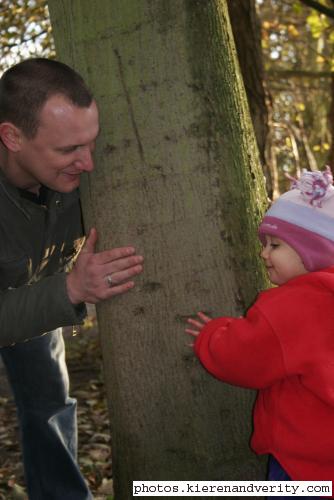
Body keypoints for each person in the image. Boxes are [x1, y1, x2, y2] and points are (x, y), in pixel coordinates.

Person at [0, 58, 144, 499]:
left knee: (49, 403)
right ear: (12, 136)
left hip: (38, 291)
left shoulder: (73, 175)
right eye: (68, 151)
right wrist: (72, 289)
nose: (89, 163)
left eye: (91, 143)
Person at [186, 167, 334, 494]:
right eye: (265, 244)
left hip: (302, 463)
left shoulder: (292, 307)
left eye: (275, 245)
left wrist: (212, 334)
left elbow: (243, 357)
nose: (263, 253)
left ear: (312, 250)